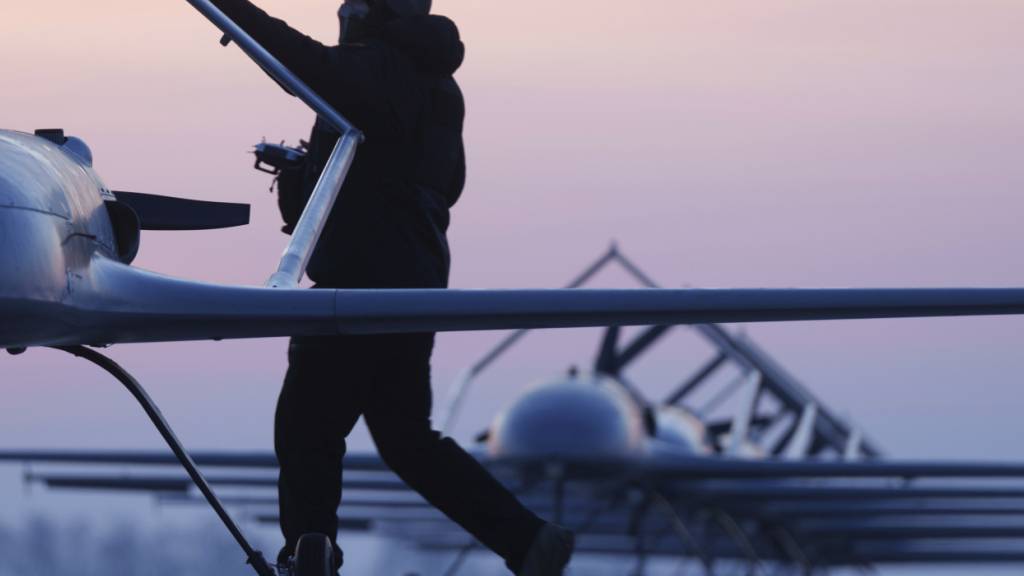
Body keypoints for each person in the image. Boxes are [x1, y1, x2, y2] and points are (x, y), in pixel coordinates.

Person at [207, 0, 575, 574]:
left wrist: (232, 13)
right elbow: (437, 183)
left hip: (358, 287)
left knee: (307, 429)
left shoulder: (377, 69)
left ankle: (310, 551)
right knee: (407, 441)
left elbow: (295, 57)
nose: (343, 9)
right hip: (416, 287)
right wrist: (310, 171)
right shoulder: (437, 85)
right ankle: (529, 541)